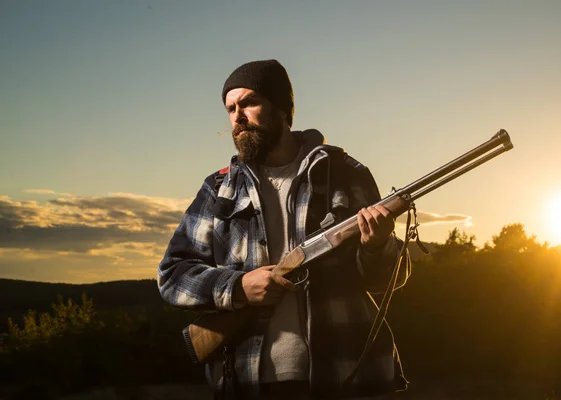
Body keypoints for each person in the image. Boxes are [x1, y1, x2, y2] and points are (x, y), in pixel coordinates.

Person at [157, 59, 410, 399]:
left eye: (248, 102)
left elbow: (385, 281)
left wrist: (377, 246)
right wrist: (239, 287)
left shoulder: (345, 174)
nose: (237, 116)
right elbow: (173, 275)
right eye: (231, 108)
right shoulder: (218, 189)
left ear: (281, 108)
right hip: (249, 381)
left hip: (345, 374)